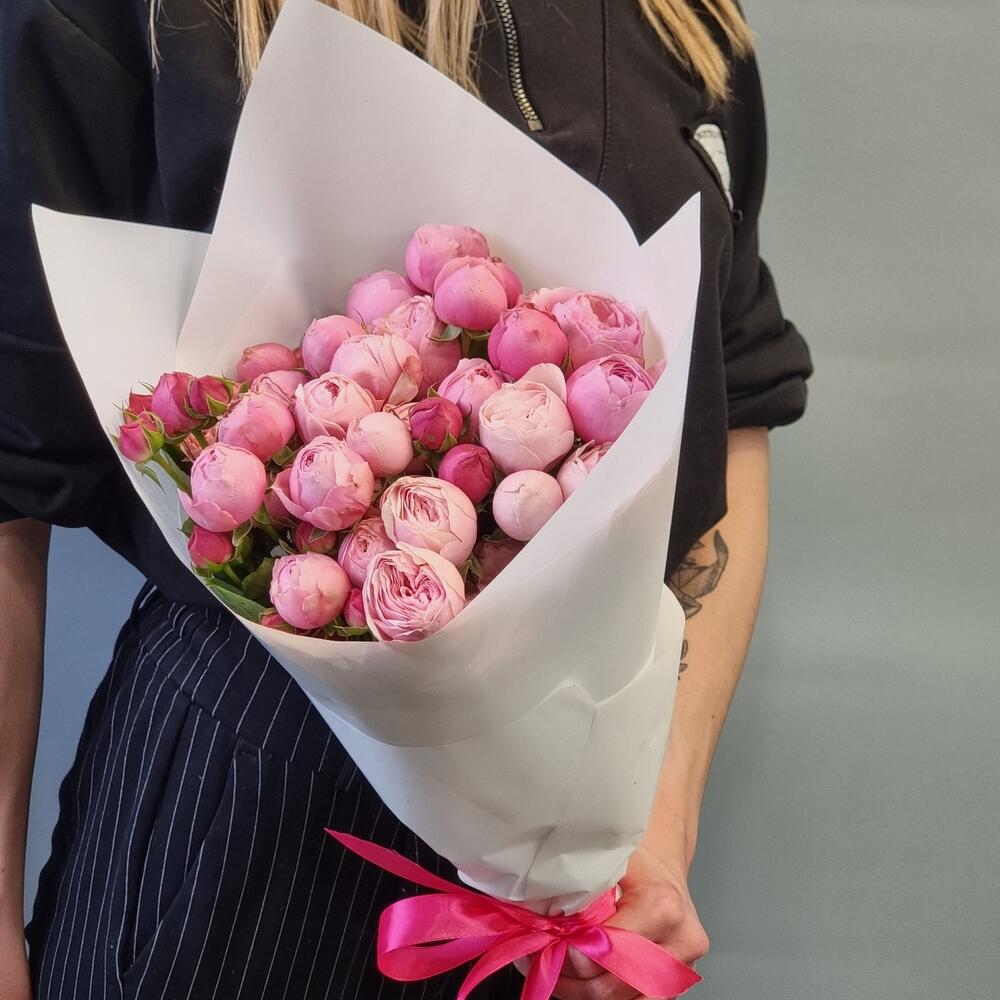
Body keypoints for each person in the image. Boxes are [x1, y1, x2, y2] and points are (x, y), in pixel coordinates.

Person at [0, 0, 813, 997]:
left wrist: (656, 824)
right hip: (248, 816)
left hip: (583, 871)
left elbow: (735, 404)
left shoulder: (676, 19)